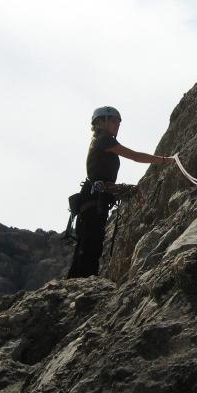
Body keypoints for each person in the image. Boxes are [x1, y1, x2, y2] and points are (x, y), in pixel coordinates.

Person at [66, 106, 169, 278]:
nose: (118, 124)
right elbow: (135, 156)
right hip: (94, 203)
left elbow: (102, 179)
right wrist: (164, 160)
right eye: (113, 120)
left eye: (119, 122)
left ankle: (77, 283)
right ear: (101, 122)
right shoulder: (104, 140)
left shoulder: (101, 141)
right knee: (90, 247)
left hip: (95, 202)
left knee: (90, 246)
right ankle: (80, 285)